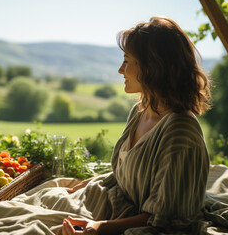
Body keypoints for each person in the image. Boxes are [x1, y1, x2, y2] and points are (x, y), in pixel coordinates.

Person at [62, 16, 213, 234]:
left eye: (126, 60)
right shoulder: (140, 110)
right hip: (117, 205)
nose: (120, 70)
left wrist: (99, 228)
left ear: (153, 66)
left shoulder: (180, 132)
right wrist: (87, 183)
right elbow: (129, 171)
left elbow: (167, 220)